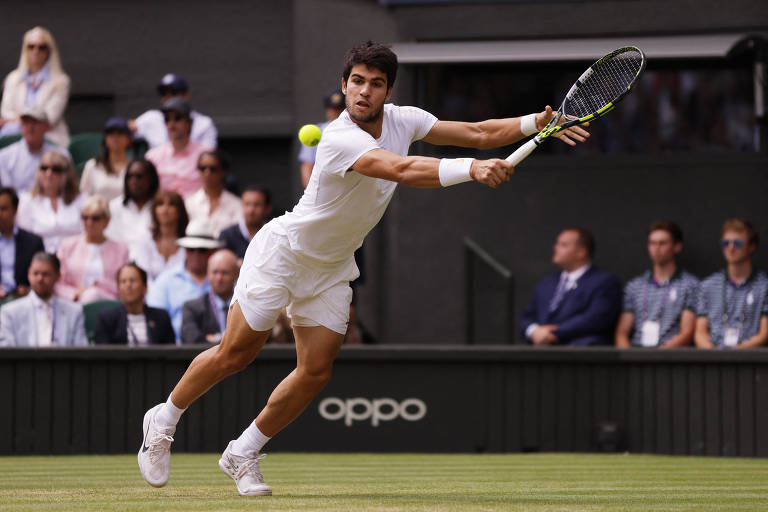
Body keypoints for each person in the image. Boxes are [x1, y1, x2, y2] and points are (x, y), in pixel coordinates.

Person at [137, 41, 589, 495]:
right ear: (344, 85)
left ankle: (243, 451)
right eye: (356, 82)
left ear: (387, 91)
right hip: (283, 255)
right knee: (237, 353)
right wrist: (472, 170)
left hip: (332, 266)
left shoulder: (404, 119)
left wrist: (538, 121)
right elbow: (401, 168)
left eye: (375, 84)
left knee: (315, 370)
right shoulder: (337, 138)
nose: (364, 92)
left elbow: (477, 130)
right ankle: (163, 419)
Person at [521, 227, 622, 346]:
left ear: (581, 252)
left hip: (579, 354)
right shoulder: (546, 282)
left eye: (563, 245)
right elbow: (526, 317)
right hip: (540, 354)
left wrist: (554, 333)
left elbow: (595, 319)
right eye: (557, 243)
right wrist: (533, 331)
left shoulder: (605, 282)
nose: (555, 248)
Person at [615, 220, 700, 348]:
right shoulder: (634, 286)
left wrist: (658, 357)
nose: (656, 248)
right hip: (636, 355)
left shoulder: (690, 285)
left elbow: (687, 333)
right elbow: (622, 333)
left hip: (669, 358)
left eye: (662, 243)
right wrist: (630, 360)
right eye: (652, 243)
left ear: (677, 247)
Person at [695, 218, 768, 349]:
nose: (731, 248)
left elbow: (764, 334)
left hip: (750, 361)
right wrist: (714, 355)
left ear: (751, 246)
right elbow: (700, 332)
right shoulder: (707, 286)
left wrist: (734, 355)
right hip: (713, 361)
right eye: (726, 243)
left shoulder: (764, 286)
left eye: (738, 243)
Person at [145, 218, 221, 341]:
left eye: (202, 250)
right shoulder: (165, 281)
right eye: (191, 249)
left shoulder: (224, 280)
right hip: (177, 352)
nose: (196, 254)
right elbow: (155, 322)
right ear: (184, 250)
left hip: (219, 350)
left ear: (213, 251)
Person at [0, 26, 71, 147]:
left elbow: (50, 119)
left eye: (41, 47)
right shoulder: (12, 79)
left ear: (49, 51)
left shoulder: (61, 81)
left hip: (48, 137)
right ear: (25, 50)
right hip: (12, 136)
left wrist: (16, 121)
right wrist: (27, 122)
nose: (35, 51)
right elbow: (5, 112)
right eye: (31, 46)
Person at [0, 252, 87, 347]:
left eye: (46, 274)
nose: (40, 279)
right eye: (35, 273)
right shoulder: (9, 313)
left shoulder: (74, 312)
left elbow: (80, 352)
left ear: (58, 276)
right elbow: (7, 353)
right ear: (29, 274)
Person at [55, 196, 130, 304]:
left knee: (92, 295)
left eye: (95, 218)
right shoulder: (68, 246)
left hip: (109, 302)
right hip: (73, 302)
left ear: (107, 220)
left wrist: (99, 286)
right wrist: (74, 293)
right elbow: (57, 282)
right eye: (85, 217)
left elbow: (124, 284)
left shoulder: (121, 250)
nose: (89, 222)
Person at [16, 150, 85, 252]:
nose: (49, 173)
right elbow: (25, 238)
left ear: (66, 174)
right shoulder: (27, 200)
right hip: (40, 257)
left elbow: (86, 234)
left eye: (56, 169)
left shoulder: (81, 199)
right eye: (44, 168)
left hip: (75, 256)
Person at [144, 97, 211, 198]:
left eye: (177, 118)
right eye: (167, 119)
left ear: (189, 123)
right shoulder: (152, 156)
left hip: (197, 211)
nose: (171, 124)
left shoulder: (206, 153)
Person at [94, 263, 174, 345]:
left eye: (133, 280)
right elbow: (102, 353)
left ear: (145, 287)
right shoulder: (107, 318)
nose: (128, 285)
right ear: (118, 288)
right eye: (123, 281)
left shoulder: (161, 317)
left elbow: (171, 352)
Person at [130, 73, 217, 149]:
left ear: (189, 123)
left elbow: (208, 157)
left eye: (173, 93)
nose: (168, 98)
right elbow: (127, 129)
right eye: (167, 119)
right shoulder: (152, 117)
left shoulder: (204, 123)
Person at [0, 106, 66, 193]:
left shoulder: (62, 155)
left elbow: (67, 188)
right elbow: (8, 194)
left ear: (46, 126)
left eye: (35, 122)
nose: (30, 128)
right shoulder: (4, 156)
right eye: (26, 122)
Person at [130, 189, 188, 285]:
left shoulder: (188, 243)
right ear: (154, 210)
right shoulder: (144, 239)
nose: (165, 210)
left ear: (179, 211)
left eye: (171, 205)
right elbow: (143, 275)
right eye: (160, 204)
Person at [181, 249, 238, 344]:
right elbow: (192, 340)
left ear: (236, 275)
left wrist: (214, 339)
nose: (219, 278)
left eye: (225, 273)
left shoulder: (246, 307)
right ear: (207, 274)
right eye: (215, 272)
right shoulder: (191, 308)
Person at [104, 158, 160, 253]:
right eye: (130, 176)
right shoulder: (114, 206)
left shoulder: (161, 207)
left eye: (139, 176)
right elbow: (110, 240)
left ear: (151, 179)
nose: (133, 181)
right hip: (121, 261)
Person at [0, 186, 44, 300]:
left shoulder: (33, 242)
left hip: (25, 302)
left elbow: (43, 276)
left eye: (3, 208)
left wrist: (30, 290)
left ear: (15, 209)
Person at [185, 150, 242, 237]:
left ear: (224, 172)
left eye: (213, 169)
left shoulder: (237, 204)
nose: (207, 173)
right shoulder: (189, 203)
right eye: (202, 168)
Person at [298, 89, 345, 188]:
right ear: (327, 110)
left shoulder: (357, 132)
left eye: (341, 109)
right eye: (333, 109)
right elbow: (307, 169)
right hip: (323, 192)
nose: (337, 113)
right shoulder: (315, 133)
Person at [79, 117, 133, 201]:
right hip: (98, 213)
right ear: (105, 139)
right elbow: (83, 197)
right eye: (111, 134)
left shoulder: (134, 167)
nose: (115, 138)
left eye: (120, 133)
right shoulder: (92, 165)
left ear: (128, 139)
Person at [218, 184, 272, 260]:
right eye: (247, 204)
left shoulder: (273, 235)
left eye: (257, 205)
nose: (251, 210)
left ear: (268, 208)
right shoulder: (227, 236)